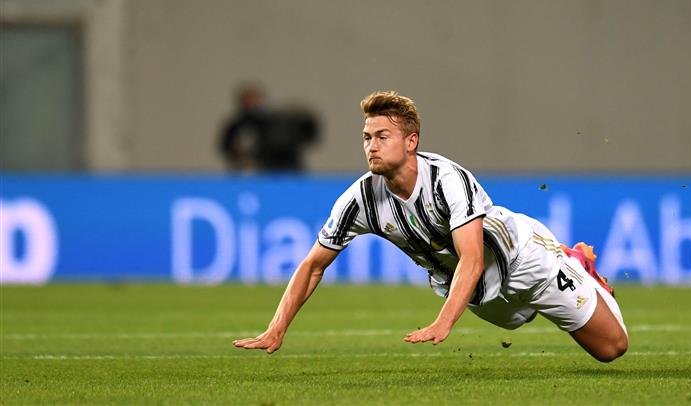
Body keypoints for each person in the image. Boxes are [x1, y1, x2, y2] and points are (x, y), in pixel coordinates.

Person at [233, 91, 628, 362]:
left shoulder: (446, 180)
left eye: (382, 136)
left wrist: (444, 321)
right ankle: (547, 292)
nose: (371, 146)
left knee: (611, 349)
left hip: (526, 260)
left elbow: (472, 258)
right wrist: (276, 328)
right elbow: (313, 265)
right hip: (476, 291)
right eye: (366, 137)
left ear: (411, 142)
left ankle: (574, 263)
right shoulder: (361, 198)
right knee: (517, 320)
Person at [219, 83, 319, 172]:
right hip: (253, 170)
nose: (252, 103)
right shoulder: (237, 125)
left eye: (254, 99)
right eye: (248, 99)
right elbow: (227, 146)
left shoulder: (271, 122)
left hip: (281, 169)